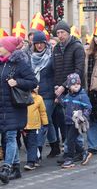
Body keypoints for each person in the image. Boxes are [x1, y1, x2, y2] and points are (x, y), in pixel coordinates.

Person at [0, 36, 38, 184]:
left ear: (8, 48)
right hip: (2, 107)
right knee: (7, 137)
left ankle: (7, 168)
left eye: (1, 46)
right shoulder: (1, 63)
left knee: (10, 136)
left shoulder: (20, 64)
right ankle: (16, 169)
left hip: (14, 107)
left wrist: (17, 82)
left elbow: (33, 82)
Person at [52, 21, 85, 158]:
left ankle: (76, 151)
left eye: (62, 32)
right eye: (58, 33)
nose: (60, 35)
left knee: (74, 121)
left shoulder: (77, 47)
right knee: (66, 123)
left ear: (68, 33)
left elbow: (78, 71)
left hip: (74, 91)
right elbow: (56, 70)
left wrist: (64, 86)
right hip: (60, 90)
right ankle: (73, 150)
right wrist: (56, 87)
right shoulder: (56, 49)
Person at [30, 31, 58, 158]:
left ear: (45, 43)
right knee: (49, 121)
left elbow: (56, 74)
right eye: (37, 43)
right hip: (35, 94)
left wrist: (57, 93)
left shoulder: (51, 57)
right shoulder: (31, 57)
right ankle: (55, 146)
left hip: (48, 94)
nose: (39, 46)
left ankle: (38, 151)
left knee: (42, 120)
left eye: (41, 43)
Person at [60, 73, 92, 168]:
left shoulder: (83, 96)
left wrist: (83, 115)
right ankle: (83, 153)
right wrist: (59, 98)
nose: (76, 86)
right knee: (73, 140)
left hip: (77, 122)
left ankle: (70, 159)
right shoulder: (68, 96)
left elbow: (88, 107)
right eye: (74, 85)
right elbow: (64, 104)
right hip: (68, 121)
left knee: (70, 140)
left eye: (78, 84)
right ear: (69, 86)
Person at [23, 86, 48, 170]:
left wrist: (45, 123)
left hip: (34, 126)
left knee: (32, 143)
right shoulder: (22, 96)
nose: (38, 88)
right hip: (23, 126)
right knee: (27, 143)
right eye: (36, 87)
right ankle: (35, 158)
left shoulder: (39, 98)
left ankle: (31, 162)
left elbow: (43, 112)